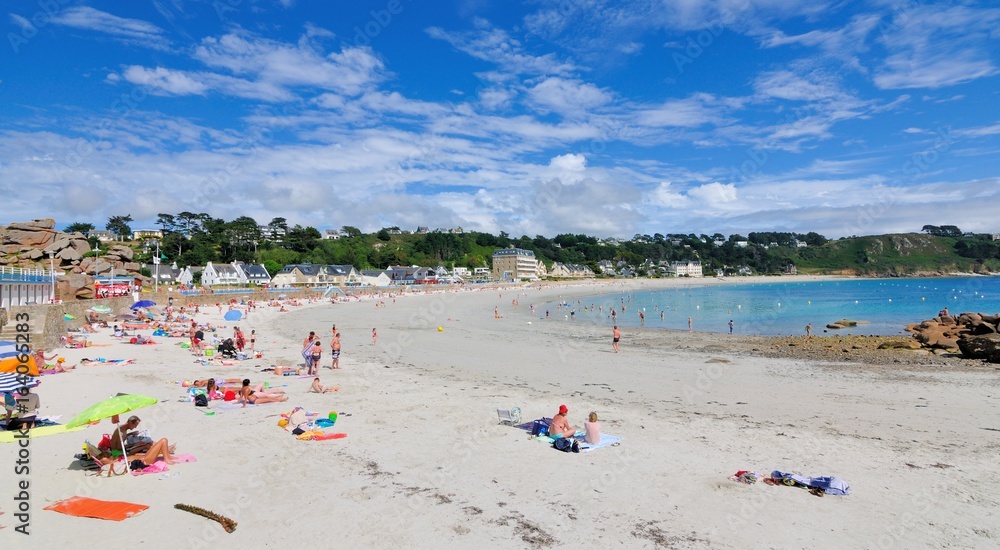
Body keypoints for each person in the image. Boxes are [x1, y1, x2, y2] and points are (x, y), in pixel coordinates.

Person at [99, 438, 176, 466]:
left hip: (144, 456)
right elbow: (106, 462)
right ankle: (167, 459)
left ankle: (168, 455)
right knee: (163, 440)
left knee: (163, 441)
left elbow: (133, 455)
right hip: (145, 460)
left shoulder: (117, 458)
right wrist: (101, 461)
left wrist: (141, 453)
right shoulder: (114, 462)